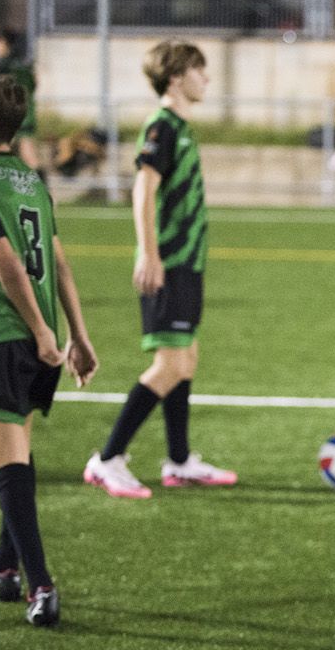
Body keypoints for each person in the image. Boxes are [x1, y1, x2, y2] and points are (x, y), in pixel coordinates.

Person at [0, 74, 98, 627]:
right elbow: (56, 260)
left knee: (8, 464)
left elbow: (7, 262)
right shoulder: (32, 179)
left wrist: (38, 332)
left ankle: (41, 585)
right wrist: (75, 336)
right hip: (44, 339)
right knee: (17, 450)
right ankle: (2, 566)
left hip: (2, 334)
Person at [83, 40, 237, 499]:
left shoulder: (182, 128)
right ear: (175, 78)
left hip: (186, 262)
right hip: (167, 262)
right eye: (198, 70)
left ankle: (179, 460)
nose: (205, 79)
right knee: (168, 365)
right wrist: (149, 253)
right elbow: (143, 191)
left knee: (186, 359)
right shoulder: (162, 127)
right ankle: (107, 459)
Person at [0, 28, 40, 177]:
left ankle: (43, 193)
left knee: (20, 156)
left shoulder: (5, 65)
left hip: (16, 116)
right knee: (18, 156)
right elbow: (34, 84)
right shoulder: (23, 64)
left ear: (4, 43)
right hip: (24, 114)